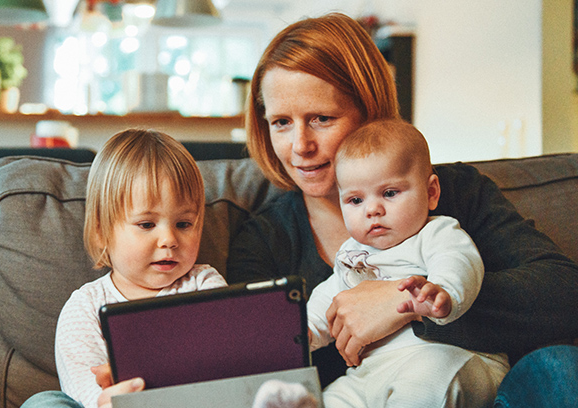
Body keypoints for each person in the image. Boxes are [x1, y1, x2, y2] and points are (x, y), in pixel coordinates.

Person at [222, 11, 578, 405]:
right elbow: (255, 363)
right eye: (281, 123)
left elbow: (564, 293)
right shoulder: (263, 241)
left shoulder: (455, 193)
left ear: (368, 109)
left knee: (559, 367)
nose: (300, 145)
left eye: (321, 118)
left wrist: (405, 303)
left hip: (465, 385)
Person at [304, 118, 508, 407]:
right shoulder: (352, 253)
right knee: (335, 397)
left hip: (450, 358)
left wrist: (443, 292)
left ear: (431, 192)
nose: (372, 209)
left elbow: (459, 262)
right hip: (372, 372)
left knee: (423, 384)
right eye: (355, 200)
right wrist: (304, 332)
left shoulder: (436, 233)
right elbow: (330, 297)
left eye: (389, 193)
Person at [21, 129, 227, 408]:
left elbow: (224, 364)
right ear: (101, 232)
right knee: (45, 403)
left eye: (183, 224)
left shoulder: (204, 285)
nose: (169, 240)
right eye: (146, 225)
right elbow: (85, 389)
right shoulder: (84, 307)